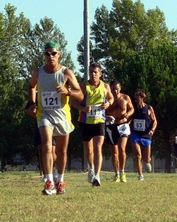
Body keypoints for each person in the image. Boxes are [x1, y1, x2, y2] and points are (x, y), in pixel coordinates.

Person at [27, 41, 83, 195]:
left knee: (62, 151)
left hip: (62, 116)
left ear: (59, 54)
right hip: (44, 114)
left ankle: (61, 180)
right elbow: (31, 86)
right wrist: (32, 103)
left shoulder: (66, 72)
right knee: (46, 145)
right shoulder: (38, 73)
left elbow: (80, 94)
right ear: (44, 55)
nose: (50, 56)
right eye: (47, 53)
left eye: (54, 53)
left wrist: (68, 91)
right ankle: (49, 181)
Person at [71, 62, 114, 186]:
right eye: (91, 72)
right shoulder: (83, 86)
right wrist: (83, 108)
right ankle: (91, 167)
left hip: (100, 120)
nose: (93, 74)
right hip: (85, 121)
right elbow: (72, 101)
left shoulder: (105, 86)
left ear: (100, 74)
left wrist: (108, 104)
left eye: (95, 72)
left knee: (97, 148)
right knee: (89, 150)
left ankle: (97, 176)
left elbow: (111, 98)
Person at [105, 80, 134, 183]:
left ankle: (122, 172)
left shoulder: (125, 98)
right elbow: (102, 112)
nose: (115, 91)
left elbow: (132, 109)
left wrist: (128, 114)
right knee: (114, 152)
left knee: (121, 148)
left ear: (120, 88)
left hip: (123, 125)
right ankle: (116, 173)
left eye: (117, 88)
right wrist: (106, 117)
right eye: (113, 89)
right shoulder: (107, 100)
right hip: (111, 126)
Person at [130, 89, 158, 181]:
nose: (136, 99)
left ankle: (147, 162)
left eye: (137, 96)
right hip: (135, 134)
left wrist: (152, 130)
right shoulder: (133, 108)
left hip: (146, 135)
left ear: (142, 98)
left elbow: (154, 121)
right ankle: (140, 175)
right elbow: (129, 118)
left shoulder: (149, 108)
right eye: (135, 97)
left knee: (146, 158)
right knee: (138, 155)